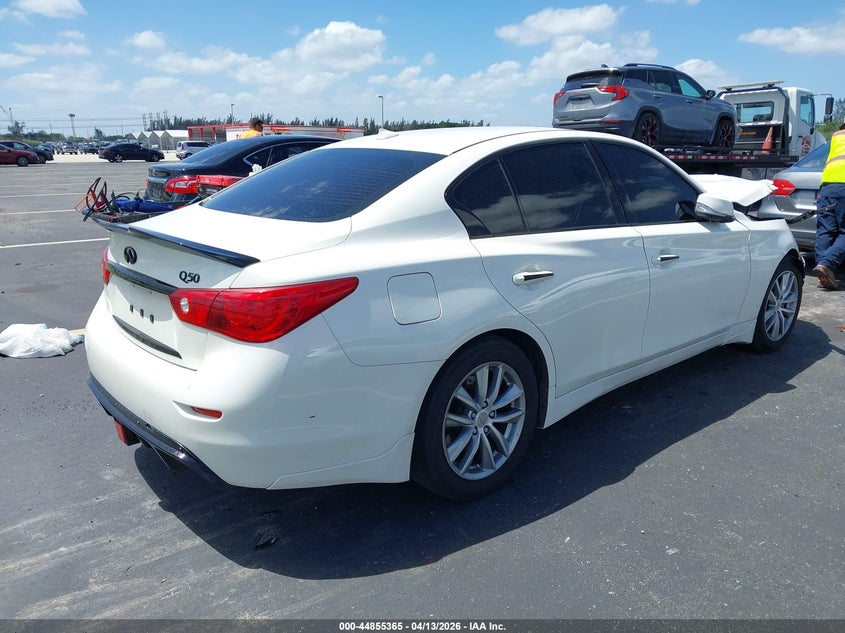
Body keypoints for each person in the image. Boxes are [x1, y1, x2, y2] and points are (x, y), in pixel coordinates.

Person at [813, 123, 845, 290]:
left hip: (827, 187)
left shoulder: (836, 136)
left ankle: (823, 275)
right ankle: (827, 264)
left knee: (826, 231)